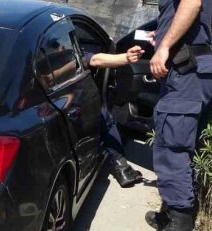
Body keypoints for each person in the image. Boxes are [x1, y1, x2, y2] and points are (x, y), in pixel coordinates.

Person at [138, 0, 212, 231]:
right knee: (178, 144)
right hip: (191, 69)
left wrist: (164, 47)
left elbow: (191, 1)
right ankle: (172, 216)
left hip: (188, 71)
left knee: (172, 147)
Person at [42, 42, 146, 188]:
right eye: (62, 46)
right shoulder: (71, 56)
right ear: (60, 47)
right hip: (67, 107)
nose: (64, 48)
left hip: (45, 110)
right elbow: (96, 60)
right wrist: (126, 57)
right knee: (105, 117)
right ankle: (122, 168)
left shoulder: (29, 60)